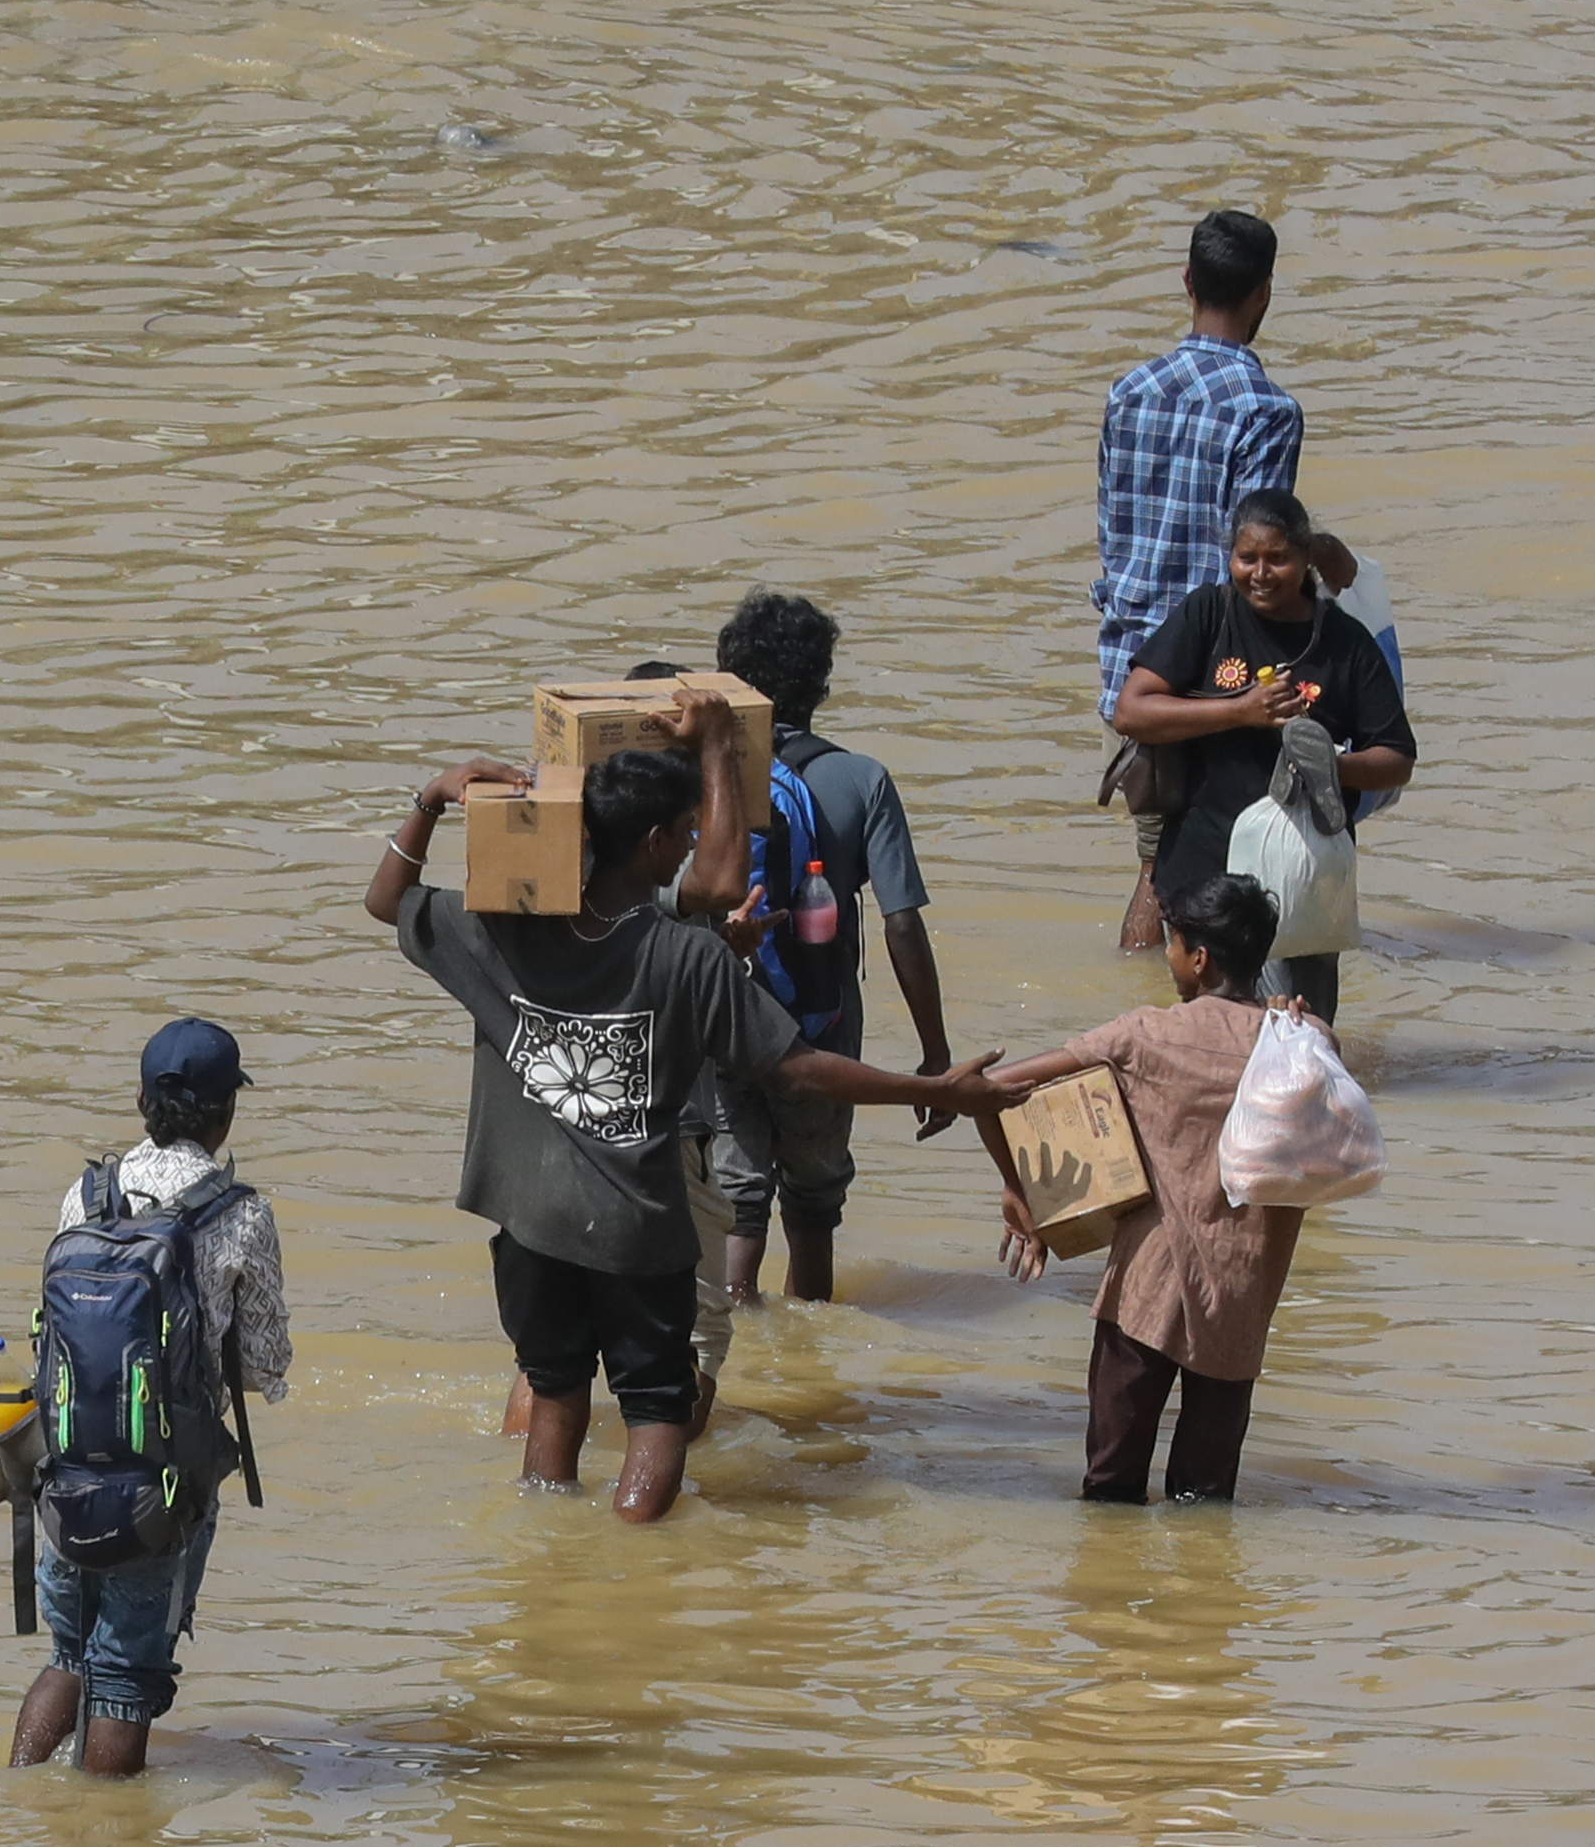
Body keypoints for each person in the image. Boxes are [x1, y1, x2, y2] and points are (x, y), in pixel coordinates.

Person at [366, 716, 995, 1526]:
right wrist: (941, 1089)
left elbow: (385, 899)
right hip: (635, 1227)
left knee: (555, 1391)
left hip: (526, 1222)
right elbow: (799, 1065)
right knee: (657, 1412)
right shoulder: (686, 957)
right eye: (689, 832)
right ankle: (633, 1554)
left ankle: (549, 1558)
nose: (695, 844)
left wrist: (433, 796)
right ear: (659, 842)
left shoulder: (500, 930)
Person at [971, 877, 1313, 1508]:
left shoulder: (1143, 1035)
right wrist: (1291, 1016)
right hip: (1240, 1298)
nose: (1167, 954)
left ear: (1200, 958)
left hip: (1145, 1294)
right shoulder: (1297, 1043)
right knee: (1205, 1505)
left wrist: (1021, 1193)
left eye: (1173, 943)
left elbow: (989, 1091)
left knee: (1108, 1491)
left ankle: (1106, 1599)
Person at [10, 1020, 288, 1781]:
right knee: (127, 1682)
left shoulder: (86, 1194)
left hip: (63, 1478)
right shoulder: (240, 1214)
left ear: (140, 1100)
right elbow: (267, 1366)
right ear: (225, 1113)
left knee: (69, 1657)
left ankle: (19, 1810)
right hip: (161, 1492)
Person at [687, 591, 945, 1312]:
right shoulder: (861, 780)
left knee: (738, 1202)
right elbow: (902, 925)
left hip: (727, 1016)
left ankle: (736, 1354)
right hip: (823, 1027)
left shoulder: (707, 779)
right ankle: (810, 1363)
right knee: (814, 1204)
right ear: (822, 684)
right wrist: (934, 1055)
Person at [1104, 486, 1411, 1022]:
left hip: (1305, 877)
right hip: (1205, 868)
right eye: (1247, 558)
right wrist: (1239, 712)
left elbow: (1396, 758)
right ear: (1231, 558)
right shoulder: (1207, 614)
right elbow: (1133, 711)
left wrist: (1329, 766)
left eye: (1279, 559)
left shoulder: (1345, 641)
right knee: (1212, 1034)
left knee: (1303, 1035)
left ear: (1306, 558)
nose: (1261, 574)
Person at [1092, 209, 1300, 724]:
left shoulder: (1128, 393)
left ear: (1188, 281)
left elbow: (1112, 539)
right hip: (1217, 694)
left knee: (1144, 809)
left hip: (1127, 681)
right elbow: (1258, 570)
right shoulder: (1268, 412)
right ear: (1265, 292)